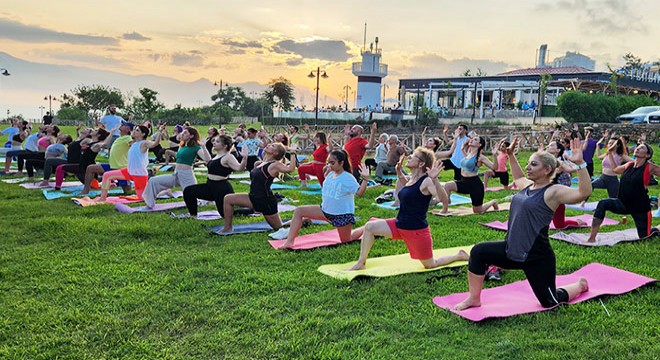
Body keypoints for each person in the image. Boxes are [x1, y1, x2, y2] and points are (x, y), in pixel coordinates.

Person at [454, 137, 591, 311]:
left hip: (537, 257)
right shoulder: (528, 186)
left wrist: (580, 164)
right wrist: (510, 155)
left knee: (550, 301)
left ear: (547, 169)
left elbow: (584, 192)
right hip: (511, 250)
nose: (528, 167)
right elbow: (518, 176)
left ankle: (579, 285)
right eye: (528, 163)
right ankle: (474, 298)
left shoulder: (553, 191)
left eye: (533, 164)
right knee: (479, 251)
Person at [347, 147, 469, 271]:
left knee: (430, 264)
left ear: (421, 164)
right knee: (369, 227)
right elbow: (409, 189)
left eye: (414, 156)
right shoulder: (412, 178)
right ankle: (361, 262)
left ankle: (459, 255)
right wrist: (399, 172)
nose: (409, 157)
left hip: (416, 231)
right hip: (399, 225)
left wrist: (435, 179)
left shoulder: (426, 181)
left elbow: (444, 199)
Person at [277, 150, 370, 249]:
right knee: (299, 211)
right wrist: (328, 169)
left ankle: (366, 228)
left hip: (341, 215)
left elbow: (359, 193)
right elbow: (326, 178)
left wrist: (365, 179)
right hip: (325, 211)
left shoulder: (348, 178)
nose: (330, 165)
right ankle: (289, 242)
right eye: (329, 162)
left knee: (347, 240)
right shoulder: (331, 173)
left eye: (333, 163)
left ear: (342, 163)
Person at [586, 143, 660, 243]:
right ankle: (592, 237)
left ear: (647, 155)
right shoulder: (628, 165)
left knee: (644, 237)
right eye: (637, 147)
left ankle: (656, 230)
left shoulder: (649, 167)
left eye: (641, 148)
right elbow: (615, 170)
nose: (637, 149)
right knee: (603, 203)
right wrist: (610, 154)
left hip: (640, 207)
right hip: (623, 203)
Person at [220, 143, 297, 233]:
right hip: (253, 197)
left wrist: (292, 153)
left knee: (279, 228)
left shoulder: (275, 165)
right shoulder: (258, 163)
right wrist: (245, 157)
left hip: (265, 201)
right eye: (270, 144)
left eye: (272, 146)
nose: (268, 145)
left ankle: (303, 221)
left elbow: (291, 169)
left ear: (275, 152)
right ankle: (227, 227)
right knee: (228, 199)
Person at [142, 127, 211, 208]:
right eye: (183, 132)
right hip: (176, 174)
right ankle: (150, 204)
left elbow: (208, 159)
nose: (182, 134)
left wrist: (203, 147)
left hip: (187, 176)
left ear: (191, 136)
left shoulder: (196, 147)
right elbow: (179, 156)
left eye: (185, 133)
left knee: (193, 200)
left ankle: (205, 201)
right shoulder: (182, 146)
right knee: (153, 181)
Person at [182, 135, 248, 218]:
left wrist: (244, 158)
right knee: (189, 191)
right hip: (210, 186)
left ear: (225, 145)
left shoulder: (228, 157)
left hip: (222, 189)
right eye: (214, 141)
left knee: (225, 214)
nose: (214, 143)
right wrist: (203, 146)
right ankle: (193, 215)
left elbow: (239, 169)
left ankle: (252, 210)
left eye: (217, 141)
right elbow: (207, 160)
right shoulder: (216, 156)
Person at [96, 124, 164, 202]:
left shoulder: (144, 143)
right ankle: (102, 198)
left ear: (143, 134)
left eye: (137, 130)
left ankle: (163, 192)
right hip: (129, 171)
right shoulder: (133, 143)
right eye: (134, 130)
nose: (134, 131)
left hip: (139, 174)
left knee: (142, 197)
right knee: (107, 175)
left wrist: (159, 132)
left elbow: (155, 143)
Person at [442, 135, 499, 214]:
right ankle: (445, 208)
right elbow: (467, 161)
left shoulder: (480, 157)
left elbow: (494, 167)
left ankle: (493, 202)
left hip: (475, 185)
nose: (471, 140)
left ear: (479, 145)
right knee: (447, 186)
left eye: (475, 139)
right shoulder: (468, 154)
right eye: (472, 139)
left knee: (477, 211)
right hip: (464, 182)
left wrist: (495, 155)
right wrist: (462, 149)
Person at [78, 121, 133, 196]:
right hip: (112, 166)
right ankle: (86, 190)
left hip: (121, 168)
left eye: (123, 125)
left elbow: (133, 144)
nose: (121, 125)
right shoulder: (120, 138)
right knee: (90, 168)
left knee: (127, 192)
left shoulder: (128, 138)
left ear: (127, 128)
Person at [590, 131, 631, 199]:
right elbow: (599, 156)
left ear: (617, 145)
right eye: (609, 143)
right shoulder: (607, 154)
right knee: (590, 185)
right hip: (603, 177)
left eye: (612, 143)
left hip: (612, 179)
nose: (610, 145)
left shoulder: (621, 156)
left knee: (613, 198)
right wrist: (597, 145)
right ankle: (583, 202)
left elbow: (633, 161)